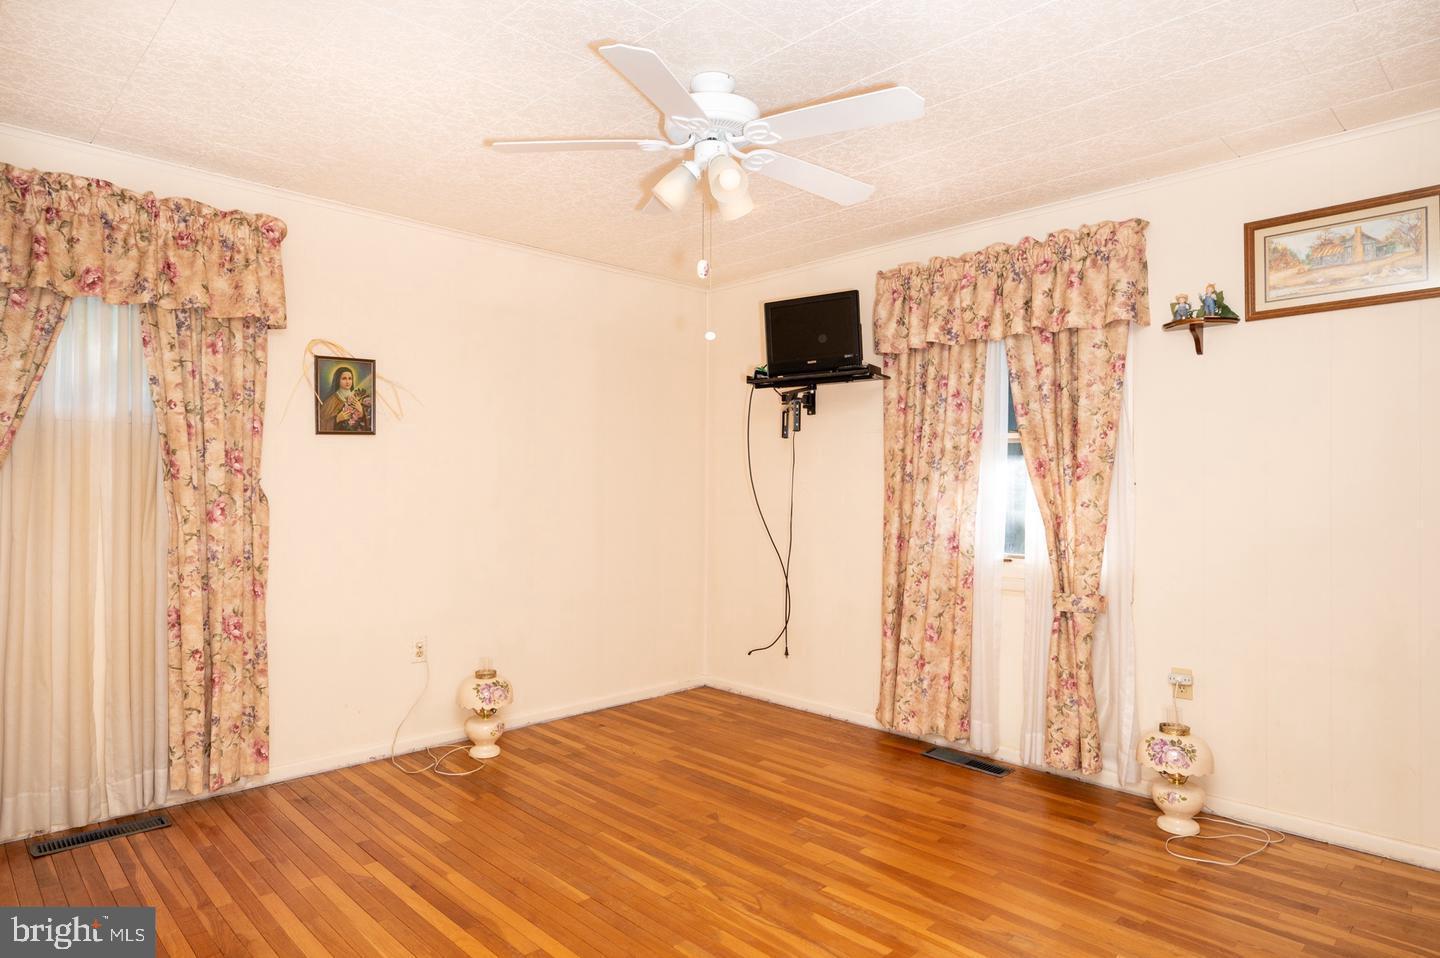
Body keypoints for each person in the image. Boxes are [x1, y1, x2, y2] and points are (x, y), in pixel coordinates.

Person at [318, 365, 371, 432]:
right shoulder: (331, 401)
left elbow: (368, 427)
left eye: (350, 378)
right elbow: (321, 423)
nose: (347, 382)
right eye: (344, 378)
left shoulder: (357, 398)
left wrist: (361, 412)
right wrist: (337, 419)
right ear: (338, 380)